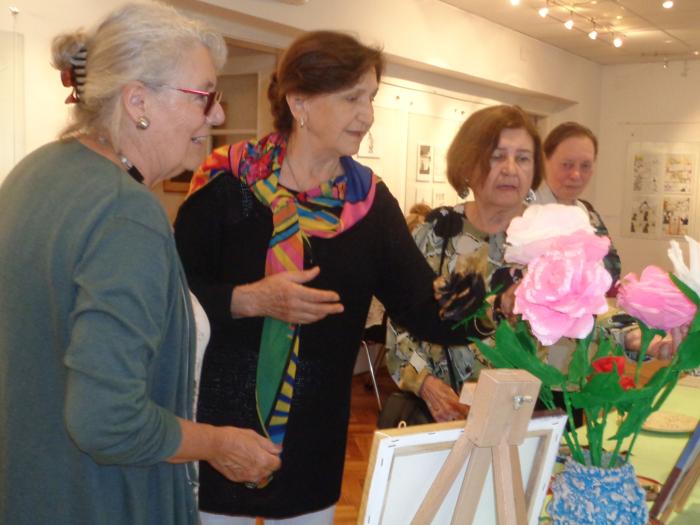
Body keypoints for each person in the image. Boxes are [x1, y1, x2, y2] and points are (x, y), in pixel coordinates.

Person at [174, 31, 487, 524]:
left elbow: (422, 311)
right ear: (299, 102)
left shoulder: (369, 204)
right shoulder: (224, 188)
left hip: (313, 442)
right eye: (352, 98)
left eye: (371, 98)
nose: (367, 114)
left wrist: (488, 308)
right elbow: (172, 302)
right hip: (220, 436)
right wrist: (249, 300)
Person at [0, 5, 280, 525]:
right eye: (203, 96)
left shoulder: (34, 172)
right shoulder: (126, 213)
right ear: (138, 102)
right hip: (103, 501)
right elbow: (107, 421)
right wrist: (217, 444)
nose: (218, 116)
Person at [386, 105, 543, 422]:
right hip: (439, 414)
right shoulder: (435, 232)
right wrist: (424, 383)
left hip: (521, 417)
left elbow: (579, 334)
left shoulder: (551, 243)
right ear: (468, 163)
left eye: (523, 158)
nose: (511, 168)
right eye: (497, 156)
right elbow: (399, 321)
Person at [536, 121, 621, 287]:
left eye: (585, 166)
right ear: (544, 161)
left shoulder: (587, 213)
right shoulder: (523, 210)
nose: (576, 174)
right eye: (566, 165)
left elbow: (610, 269)